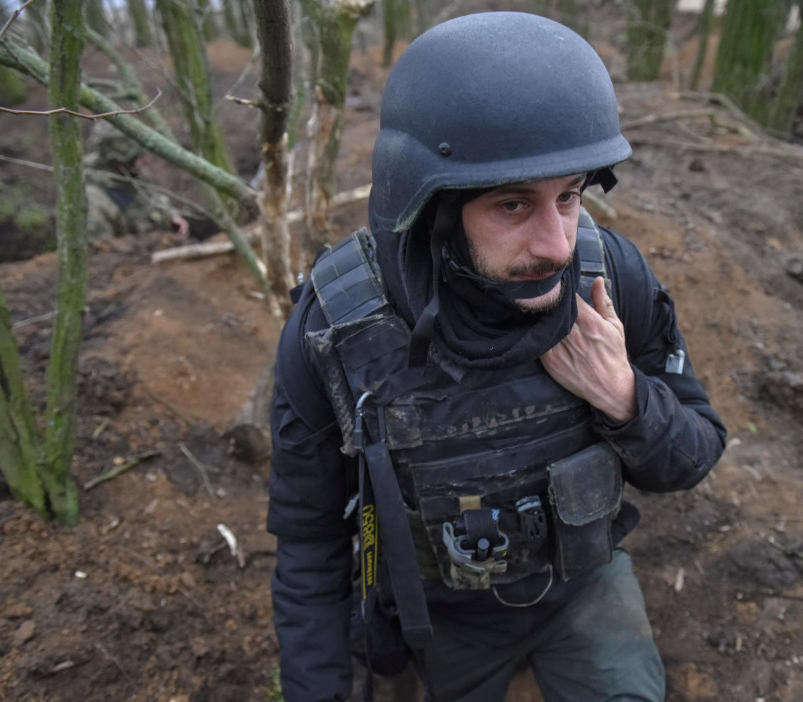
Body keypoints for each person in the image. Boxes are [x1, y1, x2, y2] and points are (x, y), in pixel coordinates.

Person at [268, 12, 726, 702]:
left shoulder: (608, 284)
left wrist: (626, 398)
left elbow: (695, 452)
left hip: (582, 587)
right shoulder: (338, 332)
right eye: (514, 205)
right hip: (438, 613)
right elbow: (308, 548)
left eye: (569, 197)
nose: (558, 245)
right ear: (435, 211)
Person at [84, 120, 189, 239]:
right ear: (117, 161)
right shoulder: (93, 198)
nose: (145, 161)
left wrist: (171, 216)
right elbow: (101, 251)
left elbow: (154, 198)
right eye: (136, 157)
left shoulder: (134, 173)